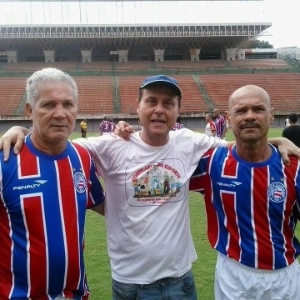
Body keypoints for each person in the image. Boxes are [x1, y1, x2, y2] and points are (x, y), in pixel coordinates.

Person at [0, 75, 299, 300]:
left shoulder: (191, 143)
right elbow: (56, 142)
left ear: (178, 111)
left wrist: (279, 141)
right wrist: (22, 130)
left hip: (180, 280)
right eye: (151, 101)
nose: (159, 110)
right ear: (138, 107)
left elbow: (242, 145)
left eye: (168, 103)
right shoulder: (109, 146)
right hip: (129, 283)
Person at [0, 68, 105, 299]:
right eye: (49, 105)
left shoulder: (82, 157)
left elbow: (105, 206)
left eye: (68, 105)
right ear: (29, 110)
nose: (60, 114)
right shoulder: (4, 162)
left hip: (75, 295)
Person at [190, 85, 300, 299]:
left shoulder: (293, 166)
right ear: (229, 118)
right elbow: (163, 160)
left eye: (258, 109)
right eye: (241, 111)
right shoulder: (211, 162)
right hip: (234, 275)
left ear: (271, 115)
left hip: (284, 276)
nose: (249, 116)